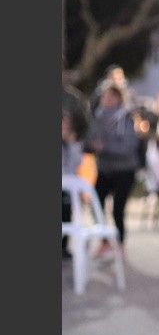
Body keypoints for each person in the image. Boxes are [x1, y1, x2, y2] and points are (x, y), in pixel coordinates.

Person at [85, 85, 141, 256]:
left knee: (118, 208)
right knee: (95, 203)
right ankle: (105, 241)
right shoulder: (97, 117)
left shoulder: (126, 119)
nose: (106, 100)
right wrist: (91, 146)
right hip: (104, 169)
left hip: (124, 170)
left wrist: (105, 147)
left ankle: (120, 243)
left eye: (110, 96)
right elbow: (89, 140)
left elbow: (129, 146)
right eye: (104, 96)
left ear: (118, 99)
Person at [62, 111, 84, 260]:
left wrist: (71, 143)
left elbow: (77, 162)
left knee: (66, 215)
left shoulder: (72, 143)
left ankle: (63, 247)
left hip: (68, 187)